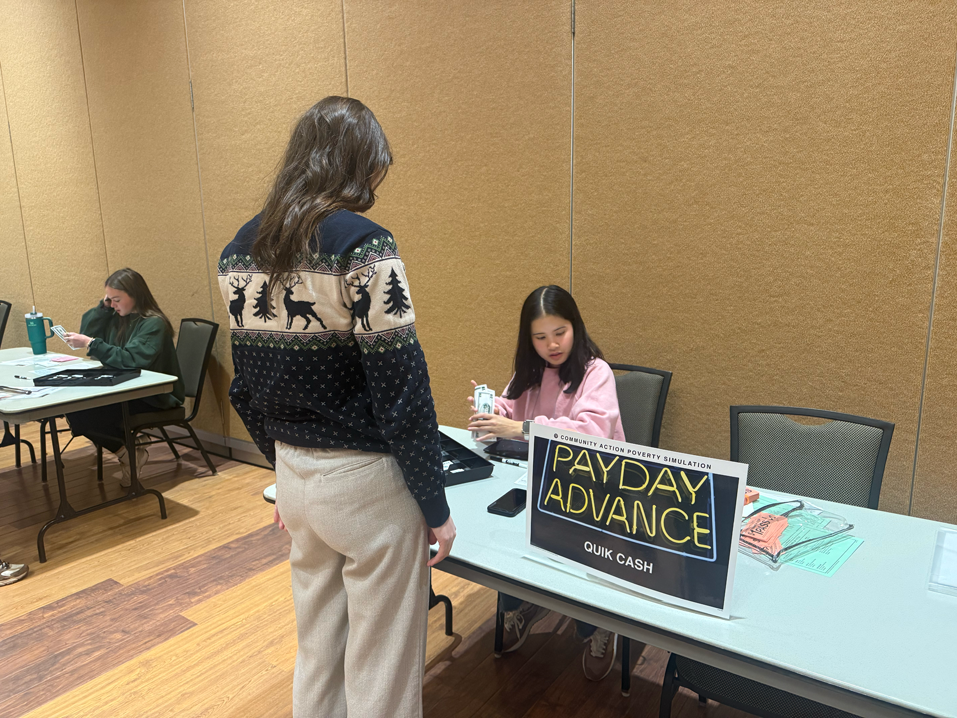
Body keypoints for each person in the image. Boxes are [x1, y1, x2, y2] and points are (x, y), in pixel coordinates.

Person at [220, 96, 455, 718]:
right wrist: (434, 503)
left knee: (319, 648)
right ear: (358, 163)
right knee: (383, 663)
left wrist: (283, 469)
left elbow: (245, 387)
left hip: (295, 477)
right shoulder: (365, 245)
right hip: (368, 484)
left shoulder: (239, 250)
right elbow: (402, 391)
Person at [467, 284, 625, 682]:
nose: (551, 345)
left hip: (594, 483)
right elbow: (511, 410)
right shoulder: (531, 371)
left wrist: (520, 427)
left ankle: (598, 624)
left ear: (575, 327)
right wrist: (493, 412)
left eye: (560, 332)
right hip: (539, 477)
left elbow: (591, 434)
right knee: (503, 534)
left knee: (584, 552)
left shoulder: (596, 372)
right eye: (540, 337)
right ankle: (519, 603)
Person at [64, 269, 185, 487]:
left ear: (135, 295)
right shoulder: (118, 317)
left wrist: (91, 343)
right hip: (124, 388)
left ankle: (128, 452)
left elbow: (131, 360)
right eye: (109, 299)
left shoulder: (153, 323)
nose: (113, 305)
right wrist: (103, 308)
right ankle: (129, 450)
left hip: (153, 396)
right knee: (74, 409)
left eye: (117, 300)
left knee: (83, 414)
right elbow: (88, 330)